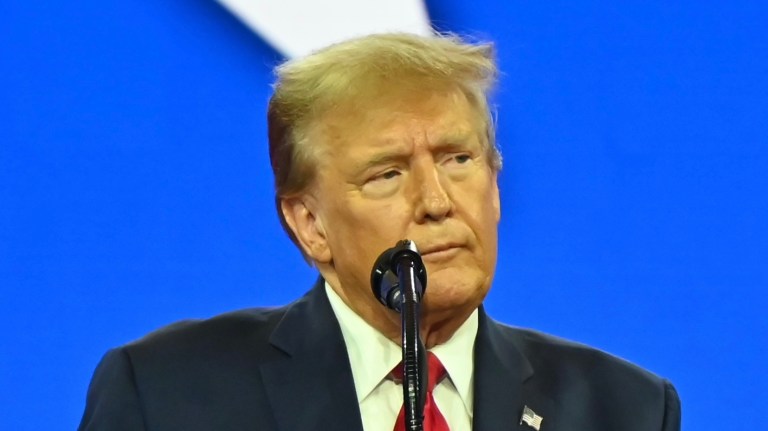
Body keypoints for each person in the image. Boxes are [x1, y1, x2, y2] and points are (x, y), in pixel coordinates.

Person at [79, 33, 681, 431]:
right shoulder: (167, 395)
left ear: (496, 186)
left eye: (458, 160)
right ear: (309, 224)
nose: (437, 202)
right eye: (388, 174)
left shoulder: (624, 410)